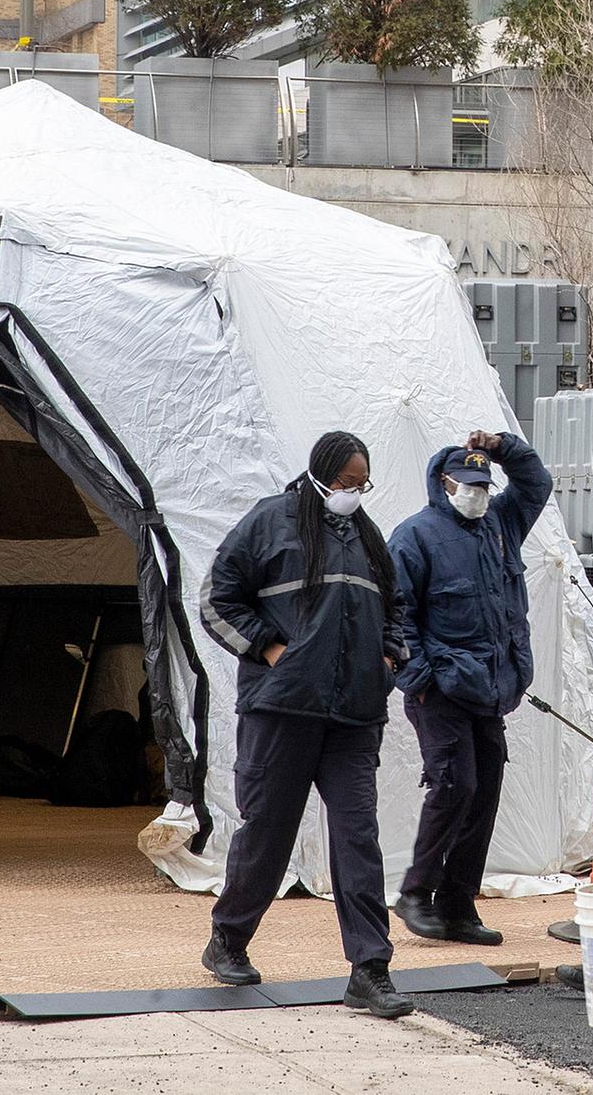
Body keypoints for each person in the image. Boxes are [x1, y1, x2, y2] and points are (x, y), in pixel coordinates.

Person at [197, 431, 417, 1019]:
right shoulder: (270, 522)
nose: (353, 493)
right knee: (267, 832)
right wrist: (270, 649)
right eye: (346, 482)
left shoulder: (370, 541)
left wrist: (391, 654)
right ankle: (229, 938)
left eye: (361, 484)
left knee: (357, 839)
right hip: (282, 711)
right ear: (320, 472)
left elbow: (396, 607)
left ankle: (369, 969)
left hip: (354, 716)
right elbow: (217, 599)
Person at [387, 429, 551, 945]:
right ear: (443, 482)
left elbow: (535, 482)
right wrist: (420, 679)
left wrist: (503, 446)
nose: (477, 493)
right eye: (467, 484)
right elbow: (395, 616)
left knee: (483, 795)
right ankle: (416, 892)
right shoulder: (414, 536)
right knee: (455, 785)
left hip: (491, 688)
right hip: (441, 690)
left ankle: (458, 905)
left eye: (484, 483)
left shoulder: (501, 524)